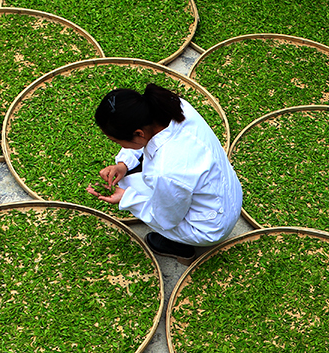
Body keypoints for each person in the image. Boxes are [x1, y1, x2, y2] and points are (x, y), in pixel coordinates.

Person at [86, 83, 242, 264]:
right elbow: (147, 137)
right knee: (143, 181)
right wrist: (123, 163)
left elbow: (165, 219)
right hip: (230, 194)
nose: (118, 145)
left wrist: (126, 197)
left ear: (138, 133)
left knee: (127, 186)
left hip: (211, 228)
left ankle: (178, 246)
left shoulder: (165, 171)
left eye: (116, 140)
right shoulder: (174, 107)